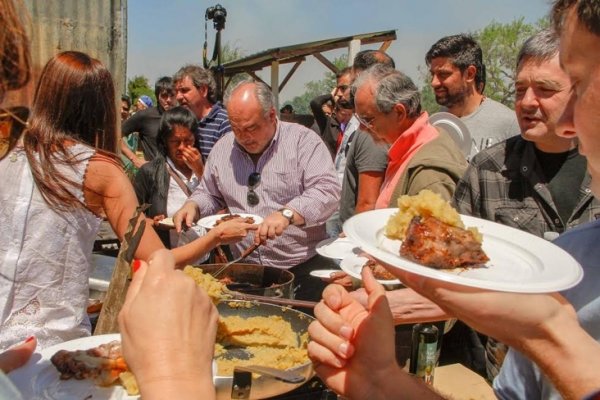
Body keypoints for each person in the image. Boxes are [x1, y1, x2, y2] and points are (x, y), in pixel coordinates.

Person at [174, 80, 341, 302]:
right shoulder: (223, 149)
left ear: (272, 115)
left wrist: (288, 214)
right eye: (236, 128)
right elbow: (210, 193)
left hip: (302, 269)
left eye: (251, 128)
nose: (244, 136)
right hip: (247, 272)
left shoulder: (303, 142)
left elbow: (327, 191)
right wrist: (193, 205)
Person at [353, 64, 466, 207]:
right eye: (359, 119)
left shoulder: (428, 175)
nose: (362, 128)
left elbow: (433, 228)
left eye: (367, 119)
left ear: (399, 113)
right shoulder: (415, 146)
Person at [426, 34, 520, 158]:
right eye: (433, 74)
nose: (434, 82)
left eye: (443, 74)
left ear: (470, 74)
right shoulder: (434, 124)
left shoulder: (508, 124)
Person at [133, 106, 207, 254]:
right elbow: (132, 218)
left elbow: (220, 208)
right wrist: (153, 222)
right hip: (167, 258)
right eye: (175, 141)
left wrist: (201, 171)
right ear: (165, 141)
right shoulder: (150, 173)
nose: (182, 147)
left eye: (188, 141)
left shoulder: (209, 168)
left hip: (205, 258)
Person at [173, 65, 230, 162]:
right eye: (176, 92)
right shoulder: (182, 121)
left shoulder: (224, 122)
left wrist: (200, 170)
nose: (178, 97)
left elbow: (225, 170)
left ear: (203, 90)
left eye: (184, 90)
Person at [121, 77, 177, 168]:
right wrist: (134, 159)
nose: (169, 100)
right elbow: (115, 135)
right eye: (164, 96)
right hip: (152, 176)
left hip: (177, 178)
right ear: (157, 96)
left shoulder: (181, 117)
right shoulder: (145, 116)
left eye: (172, 95)